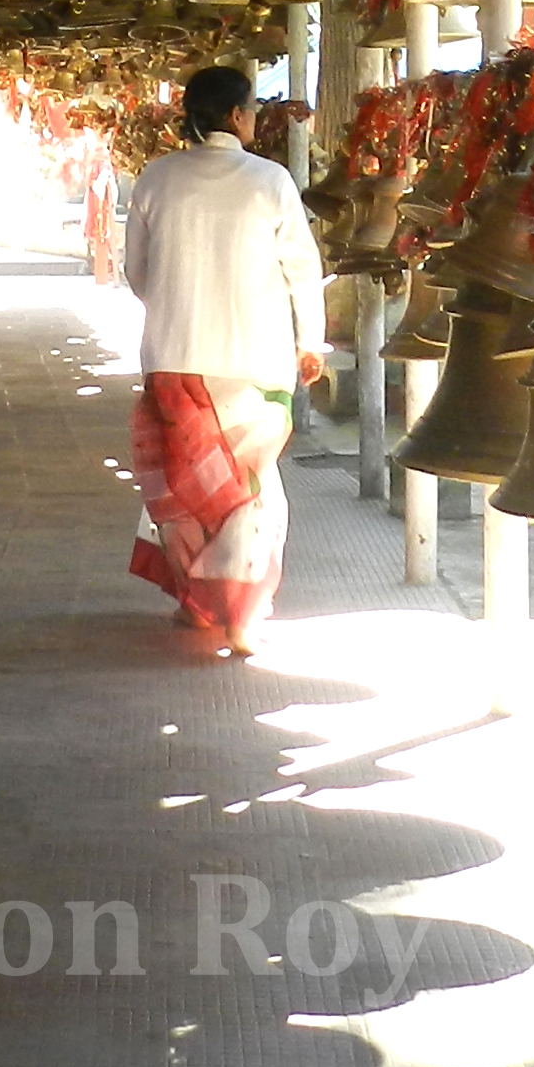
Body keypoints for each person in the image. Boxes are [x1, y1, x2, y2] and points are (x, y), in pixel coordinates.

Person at [118, 64, 327, 656]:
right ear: (237, 115)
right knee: (249, 491)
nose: (255, 118)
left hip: (173, 359)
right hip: (255, 363)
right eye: (253, 109)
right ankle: (240, 616)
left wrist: (179, 306)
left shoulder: (156, 178)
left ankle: (198, 603)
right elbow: (302, 270)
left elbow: (138, 272)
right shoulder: (270, 181)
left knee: (186, 489)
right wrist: (310, 341)